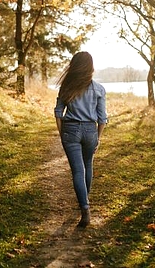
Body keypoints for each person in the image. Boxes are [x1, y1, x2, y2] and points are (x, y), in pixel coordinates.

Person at [54, 51, 108, 228]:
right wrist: (98, 138)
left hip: (70, 129)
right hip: (90, 131)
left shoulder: (66, 88)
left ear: (74, 66)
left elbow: (58, 113)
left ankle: (84, 208)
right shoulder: (99, 89)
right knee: (88, 165)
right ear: (90, 67)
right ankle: (85, 202)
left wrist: (63, 134)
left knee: (78, 171)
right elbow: (102, 118)